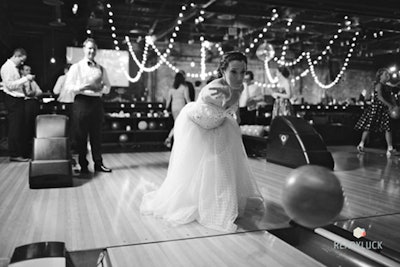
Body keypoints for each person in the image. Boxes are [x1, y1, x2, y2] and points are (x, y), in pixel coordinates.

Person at [141, 51, 264, 232]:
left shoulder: (239, 87)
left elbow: (233, 109)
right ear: (223, 71)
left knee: (224, 167)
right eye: (234, 72)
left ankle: (223, 204)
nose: (239, 77)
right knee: (198, 167)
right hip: (197, 125)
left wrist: (236, 119)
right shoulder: (213, 89)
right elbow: (225, 103)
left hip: (219, 124)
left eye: (243, 72)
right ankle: (203, 203)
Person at [64, 38, 112, 173]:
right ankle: (83, 165)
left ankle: (98, 163)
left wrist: (101, 90)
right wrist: (82, 87)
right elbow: (68, 87)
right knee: (81, 136)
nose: (92, 51)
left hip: (96, 103)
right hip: (81, 102)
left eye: (94, 49)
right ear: (84, 49)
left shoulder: (101, 68)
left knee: (97, 135)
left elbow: (108, 87)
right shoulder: (76, 67)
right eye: (89, 48)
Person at [0, 48, 35, 162]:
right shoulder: (7, 68)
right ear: (17, 56)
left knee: (19, 127)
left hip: (18, 99)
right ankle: (14, 154)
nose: (22, 63)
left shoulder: (13, 68)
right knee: (15, 127)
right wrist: (25, 78)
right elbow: (10, 85)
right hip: (13, 100)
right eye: (21, 60)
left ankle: (19, 153)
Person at [355, 68, 398, 157]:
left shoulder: (387, 86)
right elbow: (379, 97)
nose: (388, 76)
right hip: (376, 108)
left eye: (388, 74)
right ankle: (361, 144)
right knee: (369, 127)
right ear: (380, 76)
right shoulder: (379, 85)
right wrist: (389, 105)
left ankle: (390, 149)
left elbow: (392, 93)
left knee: (388, 127)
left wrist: (393, 104)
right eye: (385, 74)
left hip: (385, 109)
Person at [20, 64, 42, 158]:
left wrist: (33, 93)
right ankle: (25, 152)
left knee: (34, 126)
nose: (29, 72)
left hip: (34, 103)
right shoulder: (21, 81)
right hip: (26, 104)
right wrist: (32, 93)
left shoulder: (33, 81)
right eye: (26, 70)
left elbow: (39, 91)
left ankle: (34, 151)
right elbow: (27, 93)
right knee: (27, 127)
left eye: (30, 70)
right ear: (22, 71)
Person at [164, 72, 190, 148]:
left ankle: (171, 138)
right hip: (181, 107)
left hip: (174, 107)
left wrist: (166, 108)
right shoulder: (184, 87)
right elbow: (187, 99)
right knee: (179, 124)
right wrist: (191, 107)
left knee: (177, 124)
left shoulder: (172, 89)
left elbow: (168, 100)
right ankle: (172, 138)